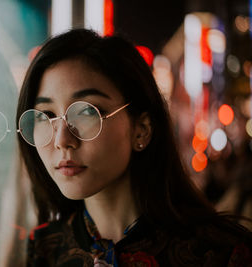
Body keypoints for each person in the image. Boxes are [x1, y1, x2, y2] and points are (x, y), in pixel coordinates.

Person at [15, 29, 252, 267]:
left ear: (142, 129)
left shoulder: (220, 253)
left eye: (87, 111)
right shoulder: (45, 248)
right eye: (46, 115)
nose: (62, 140)